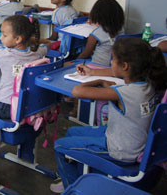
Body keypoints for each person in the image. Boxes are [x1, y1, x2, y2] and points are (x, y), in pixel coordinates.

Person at [50, 37, 167, 193]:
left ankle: (72, 187)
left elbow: (77, 91)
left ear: (125, 66)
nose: (110, 63)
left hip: (120, 150)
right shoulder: (150, 85)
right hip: (133, 141)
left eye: (113, 60)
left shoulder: (124, 93)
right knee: (72, 132)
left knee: (60, 145)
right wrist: (106, 82)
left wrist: (97, 79)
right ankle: (79, 178)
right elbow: (125, 90)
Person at [75, 0, 124, 65]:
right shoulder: (121, 29)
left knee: (66, 64)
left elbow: (85, 54)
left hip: (98, 66)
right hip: (114, 66)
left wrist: (75, 61)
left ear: (96, 14)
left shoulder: (95, 34)